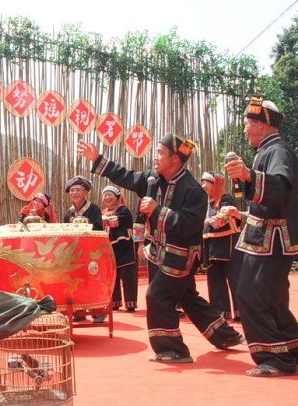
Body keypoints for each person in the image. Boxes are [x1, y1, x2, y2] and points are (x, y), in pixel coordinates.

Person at [77, 133, 244, 363]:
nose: (155, 157)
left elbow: (188, 225)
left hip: (183, 256)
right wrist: (98, 159)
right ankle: (225, 336)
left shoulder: (192, 190)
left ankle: (174, 349)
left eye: (159, 153)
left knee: (157, 296)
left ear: (175, 158)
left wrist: (157, 210)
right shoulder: (152, 179)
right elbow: (126, 176)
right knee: (187, 297)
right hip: (160, 252)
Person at [224, 95, 298, 377]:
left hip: (274, 239)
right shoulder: (268, 150)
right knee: (271, 298)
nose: (245, 130)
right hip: (265, 236)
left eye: (248, 124)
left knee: (249, 294)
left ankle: (275, 359)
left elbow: (281, 191)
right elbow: (265, 198)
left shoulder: (279, 151)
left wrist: (250, 176)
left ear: (261, 124)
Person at [63, 175, 105, 322]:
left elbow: (99, 229)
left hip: (91, 251)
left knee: (92, 279)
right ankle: (79, 311)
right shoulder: (69, 212)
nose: (75, 193)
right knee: (76, 280)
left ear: (85, 192)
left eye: (78, 190)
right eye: (72, 190)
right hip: (75, 253)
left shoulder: (93, 209)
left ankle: (98, 310)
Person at [200, 171, 242, 320]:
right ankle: (220, 311)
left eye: (206, 182)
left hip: (228, 241)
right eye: (202, 182)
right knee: (215, 278)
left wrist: (206, 222)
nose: (203, 185)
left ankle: (241, 312)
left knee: (234, 277)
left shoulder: (226, 198)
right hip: (211, 243)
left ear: (215, 184)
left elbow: (224, 217)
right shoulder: (206, 202)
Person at [101, 185, 139, 312]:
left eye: (109, 195)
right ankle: (115, 302)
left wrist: (101, 219)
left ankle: (130, 303)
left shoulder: (124, 210)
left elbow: (114, 221)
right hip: (111, 248)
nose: (107, 197)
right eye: (105, 195)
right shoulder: (104, 212)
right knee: (113, 276)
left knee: (128, 275)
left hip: (125, 247)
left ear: (117, 197)